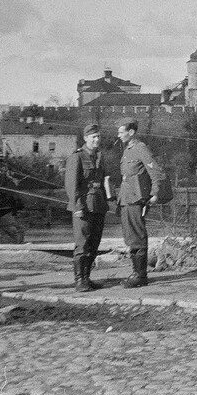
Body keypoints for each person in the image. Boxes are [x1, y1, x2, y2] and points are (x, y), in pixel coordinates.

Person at [116, 117, 166, 288]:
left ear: (131, 132)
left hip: (136, 199)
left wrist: (154, 193)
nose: (118, 135)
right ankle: (136, 272)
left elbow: (155, 172)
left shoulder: (140, 148)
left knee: (137, 236)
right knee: (130, 237)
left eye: (121, 132)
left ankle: (140, 275)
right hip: (126, 198)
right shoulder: (127, 149)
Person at [64, 124, 110, 293]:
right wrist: (77, 206)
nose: (97, 140)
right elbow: (71, 184)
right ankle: (79, 280)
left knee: (94, 243)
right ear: (85, 138)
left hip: (98, 205)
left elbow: (103, 182)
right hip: (83, 206)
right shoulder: (77, 157)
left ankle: (87, 278)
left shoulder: (99, 156)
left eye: (98, 136)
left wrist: (106, 202)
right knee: (82, 243)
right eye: (93, 137)